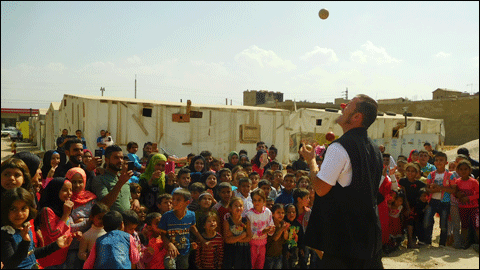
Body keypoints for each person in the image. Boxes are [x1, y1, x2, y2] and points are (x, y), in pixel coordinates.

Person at [299, 94, 384, 268]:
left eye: (349, 105)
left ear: (356, 117)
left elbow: (321, 188)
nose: (342, 106)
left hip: (345, 242)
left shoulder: (338, 148)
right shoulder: (375, 149)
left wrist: (312, 162)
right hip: (369, 238)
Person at [1, 187, 73, 269]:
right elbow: (10, 264)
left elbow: (32, 253)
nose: (19, 213)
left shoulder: (26, 227)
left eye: (23, 208)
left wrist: (56, 245)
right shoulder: (5, 234)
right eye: (13, 209)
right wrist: (25, 242)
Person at [37, 177, 85, 268]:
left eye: (70, 190)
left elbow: (64, 230)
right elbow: (53, 234)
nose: (69, 193)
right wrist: (65, 215)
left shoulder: (62, 209)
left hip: (62, 258)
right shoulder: (47, 210)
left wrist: (73, 235)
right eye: (64, 190)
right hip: (49, 261)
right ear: (55, 191)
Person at [158, 188, 207, 269]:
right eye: (173, 199)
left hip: (185, 250)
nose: (174, 202)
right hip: (170, 251)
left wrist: (202, 240)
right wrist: (169, 244)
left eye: (178, 200)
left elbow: (193, 228)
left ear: (187, 202)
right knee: (169, 265)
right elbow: (162, 234)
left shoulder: (191, 215)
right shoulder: (166, 216)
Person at [91, 145, 137, 212]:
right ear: (106, 160)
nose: (120, 161)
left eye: (121, 158)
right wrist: (120, 183)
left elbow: (128, 200)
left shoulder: (124, 178)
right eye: (116, 158)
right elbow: (104, 204)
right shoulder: (100, 179)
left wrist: (135, 201)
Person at [424, 151, 454, 246]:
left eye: (441, 160)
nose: (438, 162)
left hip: (444, 202)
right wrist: (432, 190)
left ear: (446, 162)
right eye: (436, 160)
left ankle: (442, 243)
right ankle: (427, 241)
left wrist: (440, 188)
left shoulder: (450, 175)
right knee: (427, 221)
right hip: (432, 201)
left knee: (443, 224)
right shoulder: (431, 174)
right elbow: (427, 188)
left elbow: (453, 189)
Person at [398, 162, 426, 248]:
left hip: (416, 206)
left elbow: (425, 193)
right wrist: (407, 208)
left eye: (413, 171)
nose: (410, 173)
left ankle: (412, 240)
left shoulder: (419, 184)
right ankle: (408, 240)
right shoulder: (403, 181)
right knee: (408, 218)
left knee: (414, 219)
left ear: (417, 173)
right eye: (408, 171)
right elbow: (404, 195)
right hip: (404, 205)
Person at [245, 189, 275, 269]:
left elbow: (270, 226)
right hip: (252, 245)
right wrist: (261, 232)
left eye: (259, 200)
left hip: (263, 244)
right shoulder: (249, 214)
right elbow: (249, 233)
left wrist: (271, 230)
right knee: (251, 265)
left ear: (264, 201)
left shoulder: (267, 212)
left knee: (260, 265)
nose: (256, 202)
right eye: (254, 200)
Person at [454, 160, 479, 249]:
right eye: (461, 169)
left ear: (470, 170)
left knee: (477, 225)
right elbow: (455, 193)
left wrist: (468, 198)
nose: (463, 171)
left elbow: (478, 194)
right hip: (462, 207)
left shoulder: (474, 182)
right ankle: (464, 243)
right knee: (464, 226)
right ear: (457, 171)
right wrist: (458, 195)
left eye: (465, 169)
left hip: (474, 208)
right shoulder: (457, 182)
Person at [222, 197, 252, 269]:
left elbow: (249, 238)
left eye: (240, 206)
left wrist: (234, 238)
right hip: (231, 251)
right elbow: (227, 240)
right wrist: (241, 236)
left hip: (243, 251)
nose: (238, 207)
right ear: (230, 208)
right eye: (236, 205)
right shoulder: (227, 222)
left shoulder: (246, 221)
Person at [265, 203, 289, 269]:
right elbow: (275, 238)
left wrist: (285, 230)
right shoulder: (271, 224)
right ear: (272, 214)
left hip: (279, 255)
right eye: (278, 212)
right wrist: (281, 229)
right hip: (269, 255)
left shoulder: (282, 223)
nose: (281, 215)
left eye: (283, 213)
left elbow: (286, 238)